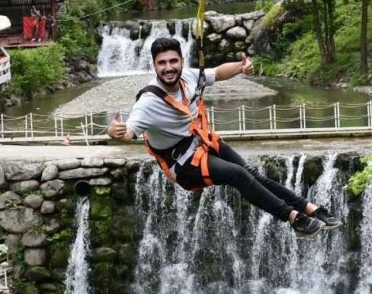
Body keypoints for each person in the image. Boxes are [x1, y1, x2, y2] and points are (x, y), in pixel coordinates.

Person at [106, 37, 341, 236]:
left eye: (173, 61)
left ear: (181, 61)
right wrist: (114, 131)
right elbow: (128, 131)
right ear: (154, 66)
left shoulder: (188, 77)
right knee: (237, 174)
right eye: (162, 63)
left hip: (203, 141)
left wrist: (240, 68)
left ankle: (310, 208)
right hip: (183, 163)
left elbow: (217, 73)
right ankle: (294, 218)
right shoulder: (148, 102)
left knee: (251, 174)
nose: (168, 68)